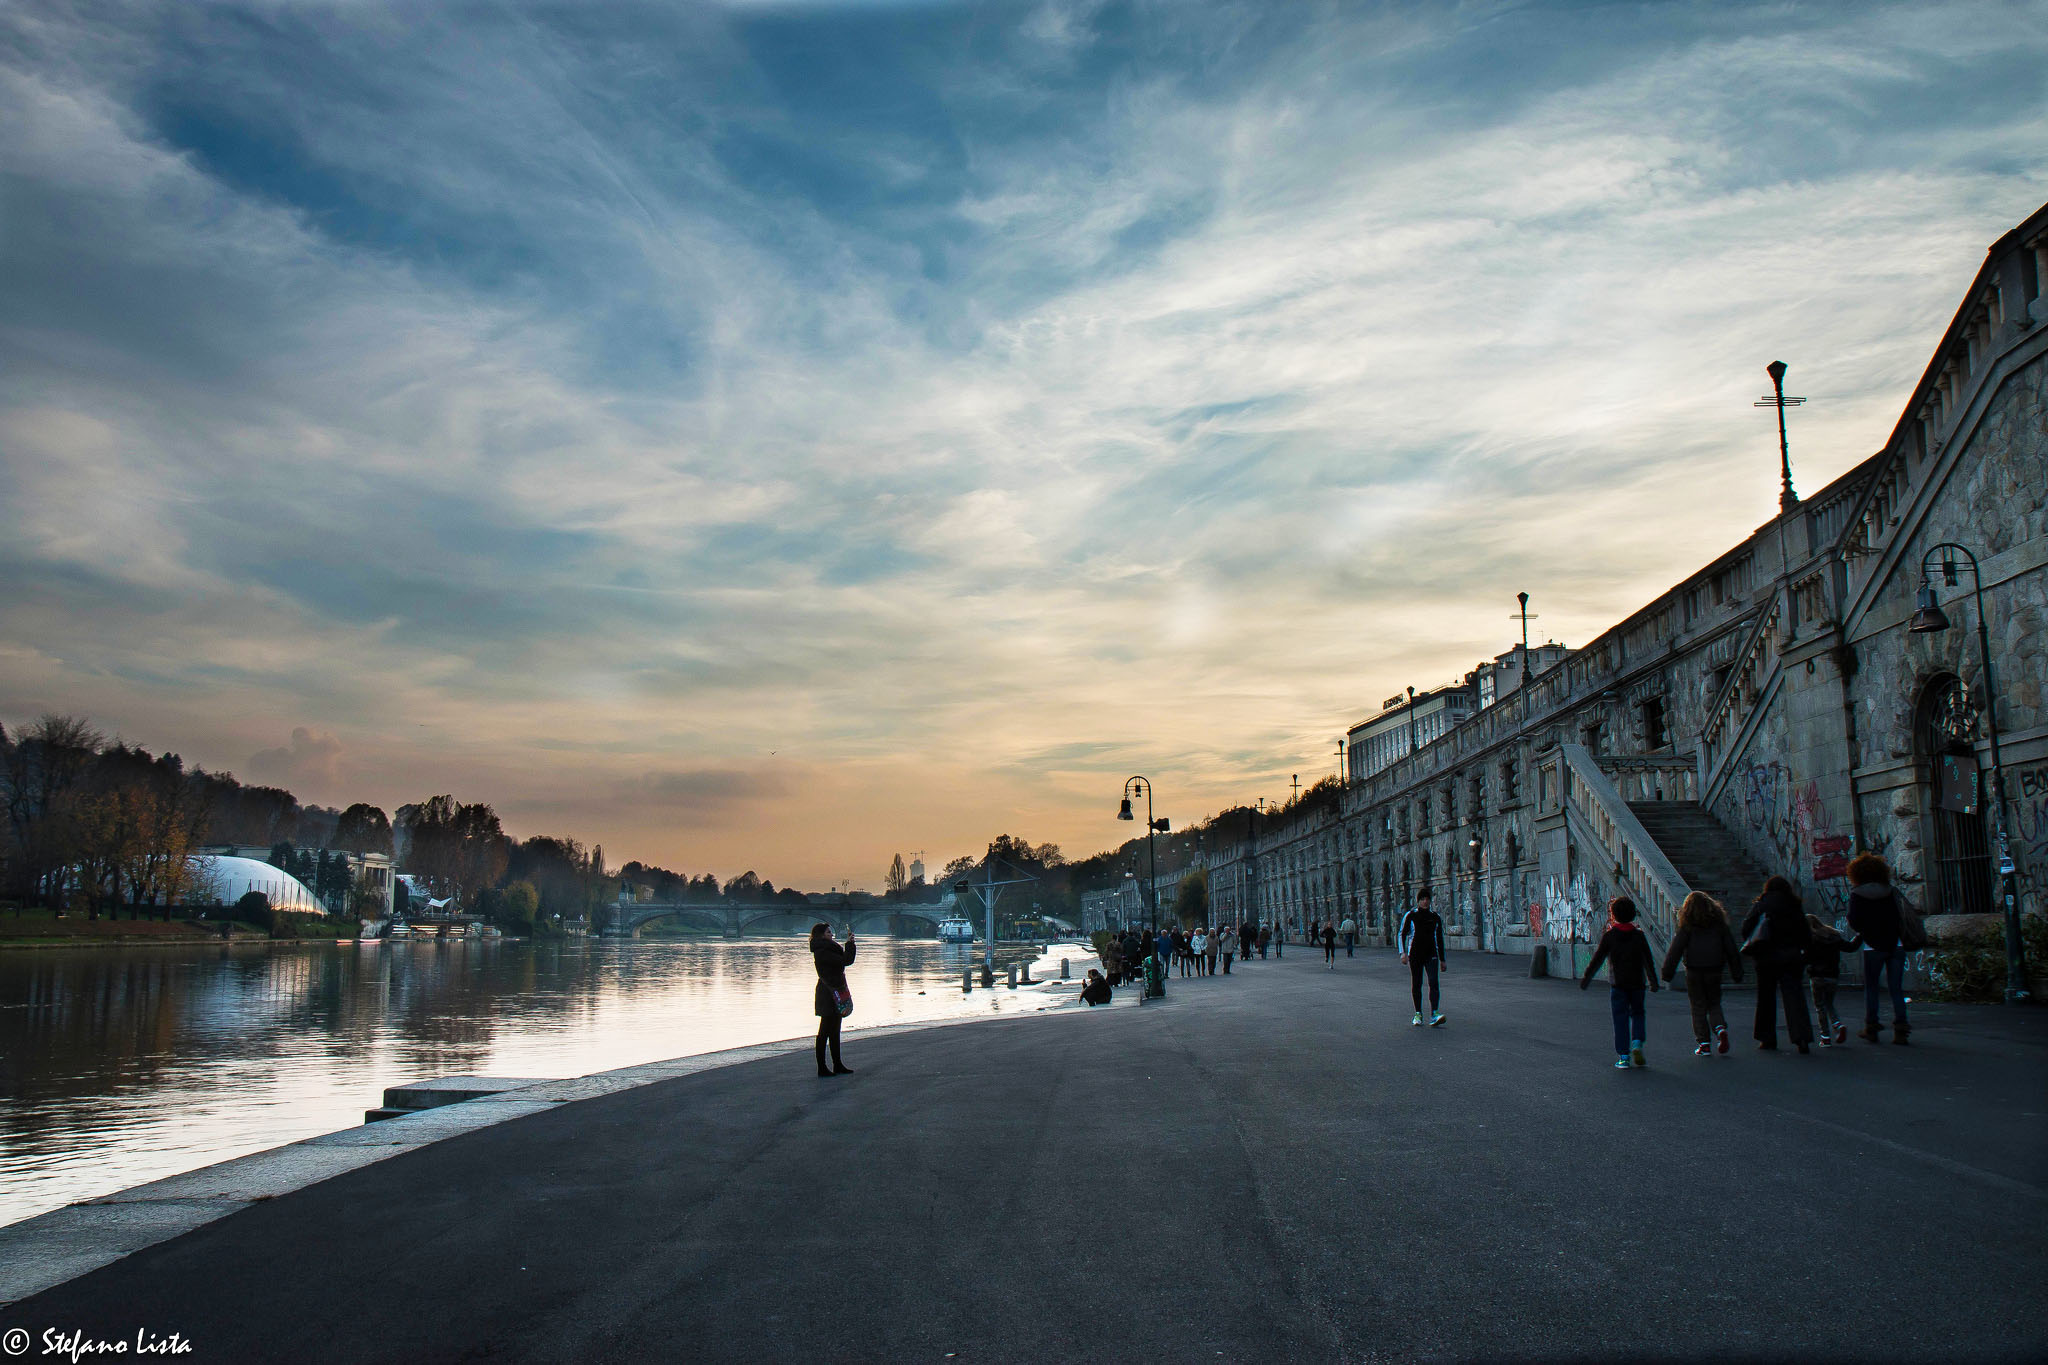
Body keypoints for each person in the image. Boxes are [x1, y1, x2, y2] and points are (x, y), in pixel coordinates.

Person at [1580, 897, 1661, 1068]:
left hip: (1618, 984)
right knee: (1638, 1013)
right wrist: (1653, 981)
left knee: (1620, 1018)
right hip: (1638, 983)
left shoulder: (1610, 936)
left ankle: (1624, 1056)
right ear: (1633, 914)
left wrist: (1587, 978)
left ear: (1614, 915)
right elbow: (1648, 960)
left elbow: (1598, 959)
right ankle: (1637, 1042)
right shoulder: (1639, 936)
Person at [1661, 891, 1742, 1056]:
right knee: (1714, 1003)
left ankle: (1704, 1044)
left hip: (1694, 970)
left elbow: (1675, 950)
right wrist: (1737, 971)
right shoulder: (1720, 926)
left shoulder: (1687, 926)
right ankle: (1720, 1028)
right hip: (1715, 969)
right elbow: (1731, 949)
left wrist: (1667, 972)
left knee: (1698, 1006)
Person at [1741, 876, 1815, 1053]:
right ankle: (1801, 1038)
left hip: (1765, 957)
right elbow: (1805, 933)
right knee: (1794, 997)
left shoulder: (1761, 905)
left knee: (1766, 998)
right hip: (1791, 956)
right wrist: (1806, 955)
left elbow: (1746, 929)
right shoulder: (1794, 905)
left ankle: (1767, 1038)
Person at [1846, 853, 1911, 1045]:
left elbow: (1854, 920)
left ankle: (1871, 1027)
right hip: (1896, 944)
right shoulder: (1891, 891)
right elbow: (1901, 916)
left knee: (1872, 988)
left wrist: (1866, 930)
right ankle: (1901, 1030)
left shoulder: (1857, 894)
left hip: (1872, 946)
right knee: (1896, 989)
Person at [809, 921, 855, 1077]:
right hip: (827, 993)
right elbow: (845, 961)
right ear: (821, 935)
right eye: (828, 932)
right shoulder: (822, 951)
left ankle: (837, 1064)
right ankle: (822, 1067)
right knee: (825, 1030)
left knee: (835, 1029)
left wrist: (850, 944)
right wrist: (849, 945)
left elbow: (846, 960)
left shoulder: (830, 948)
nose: (831, 934)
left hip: (835, 990)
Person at [1805, 914, 1859, 1046]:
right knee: (1829, 1003)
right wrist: (1860, 935)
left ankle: (1825, 1037)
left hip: (1817, 976)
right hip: (1832, 976)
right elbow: (1851, 947)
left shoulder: (1810, 939)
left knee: (1820, 1007)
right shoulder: (1833, 936)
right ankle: (1837, 1025)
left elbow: (1805, 958)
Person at [1398, 888, 1447, 1027]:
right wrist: (1402, 953)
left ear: (1430, 901)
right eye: (1422, 899)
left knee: (1433, 982)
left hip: (1431, 954)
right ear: (1418, 901)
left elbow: (1439, 939)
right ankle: (1418, 1013)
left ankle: (1434, 1014)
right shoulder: (1411, 915)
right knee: (1417, 983)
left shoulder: (1435, 917)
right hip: (1415, 955)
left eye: (1427, 899)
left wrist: (1442, 959)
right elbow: (1402, 934)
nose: (1425, 902)